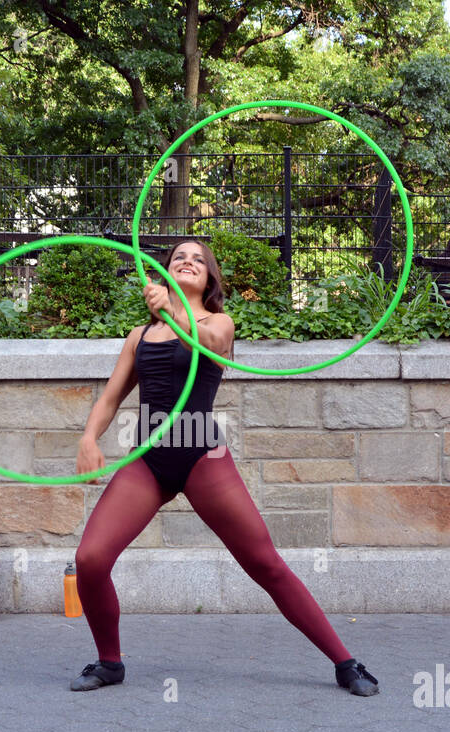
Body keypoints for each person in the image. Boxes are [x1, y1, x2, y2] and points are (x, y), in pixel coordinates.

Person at [69, 238, 379, 697]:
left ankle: (345, 662)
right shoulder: (140, 336)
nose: (188, 262)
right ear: (164, 270)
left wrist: (171, 311)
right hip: (149, 460)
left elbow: (210, 344)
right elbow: (112, 396)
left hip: (202, 455)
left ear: (209, 277)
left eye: (198, 259)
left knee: (264, 563)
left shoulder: (218, 323)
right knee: (89, 560)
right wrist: (88, 438)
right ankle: (110, 662)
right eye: (179, 257)